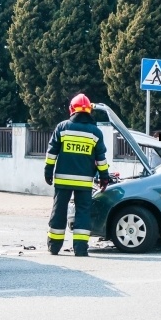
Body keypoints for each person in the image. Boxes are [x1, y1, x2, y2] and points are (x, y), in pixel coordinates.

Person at [44, 94, 110, 257]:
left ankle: (54, 246)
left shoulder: (62, 127)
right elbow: (101, 159)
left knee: (59, 211)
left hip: (63, 180)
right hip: (84, 182)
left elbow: (52, 152)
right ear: (88, 111)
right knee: (83, 212)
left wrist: (48, 170)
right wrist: (104, 177)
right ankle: (80, 248)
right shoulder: (96, 132)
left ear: (71, 110)